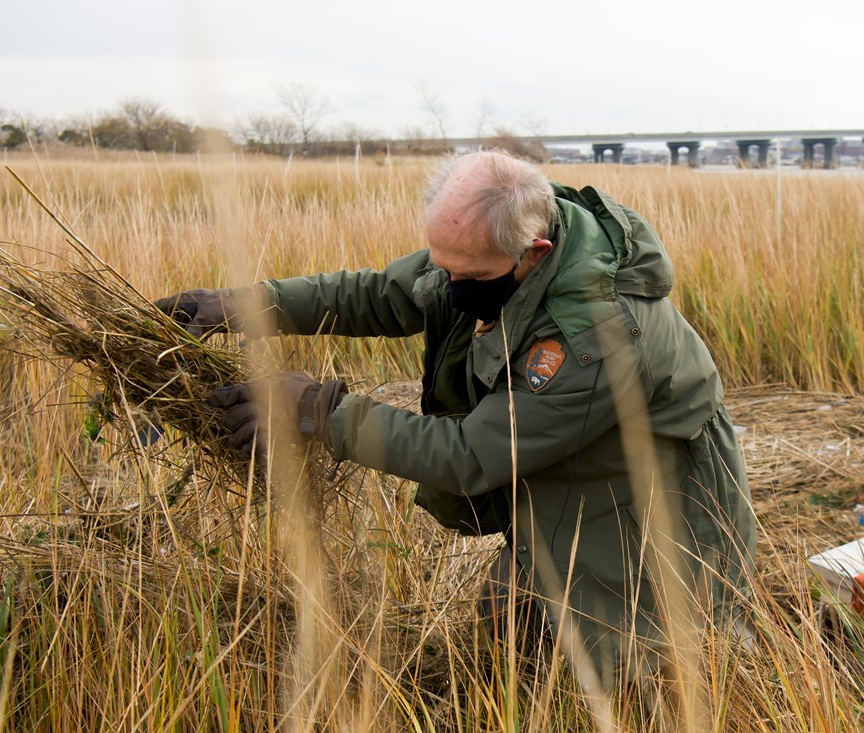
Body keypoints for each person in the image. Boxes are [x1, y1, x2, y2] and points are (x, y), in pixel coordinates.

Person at [155, 150, 755, 689]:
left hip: (646, 513)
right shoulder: (493, 243)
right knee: (510, 627)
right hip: (561, 487)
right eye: (445, 266)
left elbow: (470, 456)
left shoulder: (595, 338)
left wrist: (318, 413)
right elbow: (384, 295)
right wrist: (247, 304)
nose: (450, 285)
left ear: (534, 252)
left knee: (644, 673)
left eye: (469, 277)